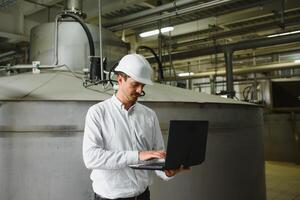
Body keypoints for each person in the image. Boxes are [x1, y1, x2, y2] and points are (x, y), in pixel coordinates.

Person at [82, 54, 187, 200]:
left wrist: (166, 171)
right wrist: (137, 156)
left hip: (143, 196)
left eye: (142, 86)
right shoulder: (98, 113)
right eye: (135, 84)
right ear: (120, 79)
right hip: (110, 197)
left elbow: (157, 155)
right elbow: (91, 158)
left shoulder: (149, 115)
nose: (139, 90)